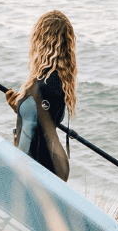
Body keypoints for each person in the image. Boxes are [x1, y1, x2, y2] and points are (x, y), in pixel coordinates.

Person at [5, 11, 76, 181]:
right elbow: (46, 121)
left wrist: (16, 173)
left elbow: (30, 134)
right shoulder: (59, 81)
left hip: (39, 170)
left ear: (41, 41)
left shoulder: (43, 86)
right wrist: (19, 108)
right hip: (54, 167)